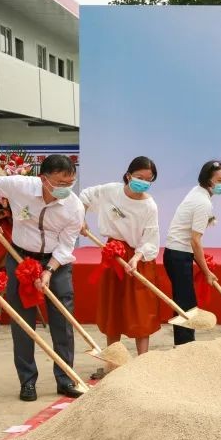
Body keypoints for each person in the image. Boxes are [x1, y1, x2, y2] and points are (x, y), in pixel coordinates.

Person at [0, 154, 85, 401]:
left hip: (56, 262)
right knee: (22, 321)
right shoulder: (21, 186)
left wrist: (49, 271)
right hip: (20, 257)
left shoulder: (74, 207)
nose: (66, 188)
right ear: (43, 179)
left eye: (70, 183)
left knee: (63, 320)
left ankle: (66, 378)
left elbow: (66, 245)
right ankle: (27, 381)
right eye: (60, 183)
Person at [80, 157, 164, 374]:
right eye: (139, 177)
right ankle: (113, 363)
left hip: (139, 259)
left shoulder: (150, 206)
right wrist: (81, 217)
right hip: (113, 253)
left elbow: (150, 238)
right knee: (113, 307)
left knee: (141, 309)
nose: (143, 182)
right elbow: (85, 196)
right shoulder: (111, 191)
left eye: (148, 179)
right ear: (128, 175)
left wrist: (136, 257)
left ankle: (142, 365)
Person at [164, 160, 221, 346]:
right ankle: (185, 347)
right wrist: (206, 272)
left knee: (183, 301)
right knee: (186, 304)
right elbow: (195, 240)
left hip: (177, 252)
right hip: (179, 254)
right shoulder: (202, 203)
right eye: (220, 180)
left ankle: (183, 344)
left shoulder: (198, 192)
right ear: (208, 180)